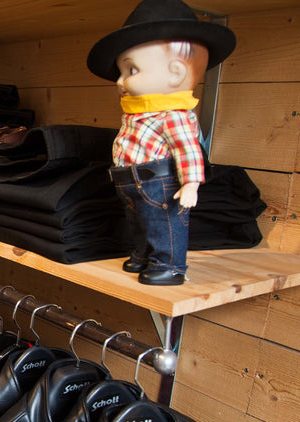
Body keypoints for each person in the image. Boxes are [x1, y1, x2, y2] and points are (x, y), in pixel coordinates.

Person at [87, 0, 236, 285]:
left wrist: (191, 183)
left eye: (131, 71)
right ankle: (143, 254)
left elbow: (188, 149)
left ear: (176, 73)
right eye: (120, 72)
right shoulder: (138, 113)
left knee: (164, 223)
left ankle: (169, 265)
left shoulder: (173, 116)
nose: (120, 81)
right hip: (129, 180)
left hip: (157, 182)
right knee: (139, 223)